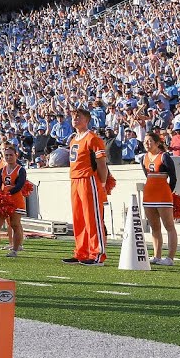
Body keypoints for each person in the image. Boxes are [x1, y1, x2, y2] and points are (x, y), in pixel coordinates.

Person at [65, 106, 109, 265]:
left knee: (92, 218)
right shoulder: (73, 139)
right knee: (79, 218)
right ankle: (81, 252)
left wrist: (102, 183)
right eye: (74, 117)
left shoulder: (92, 138)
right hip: (75, 179)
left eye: (79, 117)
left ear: (87, 120)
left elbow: (101, 163)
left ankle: (97, 253)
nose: (75, 119)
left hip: (88, 179)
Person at [139, 131, 179, 266]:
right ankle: (156, 255)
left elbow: (173, 178)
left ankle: (170, 258)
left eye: (150, 141)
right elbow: (147, 175)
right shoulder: (143, 158)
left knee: (169, 226)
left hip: (163, 195)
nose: (147, 144)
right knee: (154, 227)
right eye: (145, 141)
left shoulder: (164, 157)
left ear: (157, 143)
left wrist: (168, 192)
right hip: (149, 195)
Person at [0, 144, 27, 257]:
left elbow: (19, 185)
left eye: (10, 155)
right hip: (3, 200)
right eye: (6, 155)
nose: (8, 157)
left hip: (15, 201)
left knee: (15, 224)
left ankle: (15, 250)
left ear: (16, 155)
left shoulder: (20, 170)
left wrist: (7, 194)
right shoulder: (2, 170)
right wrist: (0, 195)